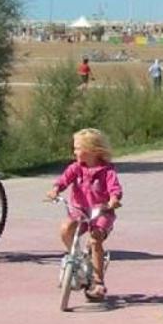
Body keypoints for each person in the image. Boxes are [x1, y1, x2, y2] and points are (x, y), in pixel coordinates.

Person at [45, 128, 122, 302]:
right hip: (80, 211)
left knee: (95, 240)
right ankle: (78, 258)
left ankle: (97, 282)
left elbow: (114, 189)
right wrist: (55, 190)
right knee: (65, 229)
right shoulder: (76, 168)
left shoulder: (107, 171)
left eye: (78, 148)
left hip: (101, 212)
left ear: (92, 150)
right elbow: (64, 180)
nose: (75, 152)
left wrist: (114, 199)